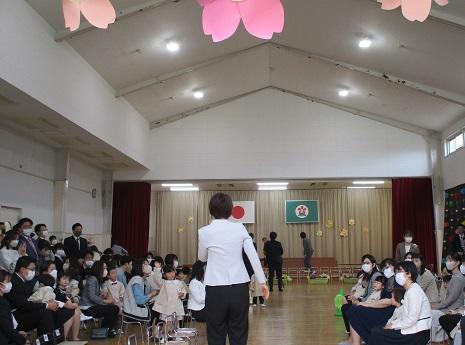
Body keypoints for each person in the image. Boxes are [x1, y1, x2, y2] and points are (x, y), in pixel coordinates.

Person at [198, 193, 268, 345]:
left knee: (216, 333)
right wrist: (262, 282)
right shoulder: (239, 228)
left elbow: (202, 258)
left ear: (211, 209)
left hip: (215, 289)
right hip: (238, 288)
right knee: (239, 333)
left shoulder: (204, 231)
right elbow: (253, 255)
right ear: (230, 210)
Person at [370, 261, 431, 345]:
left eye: (400, 271)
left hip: (417, 333)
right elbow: (406, 316)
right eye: (397, 272)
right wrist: (393, 323)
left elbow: (412, 319)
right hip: (412, 328)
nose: (397, 275)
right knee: (378, 329)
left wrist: (394, 325)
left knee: (377, 332)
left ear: (409, 273)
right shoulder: (410, 290)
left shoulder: (414, 291)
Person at [6, 256, 56, 337]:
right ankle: (47, 342)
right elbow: (24, 305)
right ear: (22, 269)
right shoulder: (14, 282)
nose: (34, 272)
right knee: (45, 312)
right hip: (14, 317)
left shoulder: (21, 281)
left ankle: (56, 338)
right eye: (32, 269)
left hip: (22, 311)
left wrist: (45, 303)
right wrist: (46, 305)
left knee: (55, 308)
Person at [341, 254, 383, 336]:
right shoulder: (368, 275)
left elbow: (373, 295)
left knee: (346, 307)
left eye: (367, 263)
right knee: (346, 300)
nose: (365, 265)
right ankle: (351, 330)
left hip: (372, 302)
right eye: (363, 263)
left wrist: (359, 301)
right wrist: (356, 297)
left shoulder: (376, 276)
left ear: (373, 264)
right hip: (366, 299)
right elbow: (364, 290)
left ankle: (354, 331)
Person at [430, 253, 465, 342]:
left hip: (453, 308)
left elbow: (451, 299)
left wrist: (437, 306)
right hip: (449, 306)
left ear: (457, 263)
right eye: (447, 260)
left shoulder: (458, 278)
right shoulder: (454, 276)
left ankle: (434, 340)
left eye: (451, 260)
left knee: (432, 313)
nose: (448, 262)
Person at [80, 261, 119, 337]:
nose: (106, 270)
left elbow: (95, 296)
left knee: (114, 308)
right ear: (98, 269)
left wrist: (102, 296)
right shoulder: (92, 279)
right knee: (113, 308)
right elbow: (92, 296)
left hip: (92, 306)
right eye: (104, 268)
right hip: (87, 307)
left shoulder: (97, 280)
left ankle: (105, 331)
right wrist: (105, 302)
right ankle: (104, 331)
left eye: (106, 268)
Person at [0, 270, 28, 345]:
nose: (10, 284)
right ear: (1, 285)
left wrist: (16, 333)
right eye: (8, 281)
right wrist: (22, 341)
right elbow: (7, 330)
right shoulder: (2, 303)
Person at [54, 272, 81, 341]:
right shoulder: (57, 291)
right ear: (58, 280)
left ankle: (74, 337)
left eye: (68, 279)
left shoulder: (67, 291)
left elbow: (71, 303)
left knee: (76, 311)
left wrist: (74, 304)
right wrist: (75, 305)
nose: (66, 281)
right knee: (73, 311)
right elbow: (68, 305)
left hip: (66, 309)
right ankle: (63, 338)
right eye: (64, 279)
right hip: (58, 310)